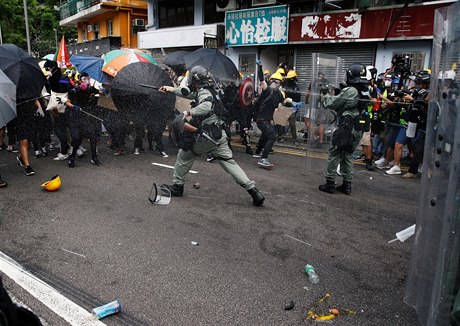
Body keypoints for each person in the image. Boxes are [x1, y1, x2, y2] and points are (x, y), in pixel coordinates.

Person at [158, 65, 265, 206]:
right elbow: (188, 94)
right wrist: (170, 89)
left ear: (194, 79)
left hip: (205, 135)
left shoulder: (203, 93)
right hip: (218, 134)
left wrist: (187, 113)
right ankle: (254, 191)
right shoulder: (211, 90)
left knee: (184, 155)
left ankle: (177, 187)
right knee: (229, 162)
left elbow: (206, 106)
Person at [318, 63, 370, 195]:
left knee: (335, 153)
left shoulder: (350, 91)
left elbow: (332, 103)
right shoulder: (364, 89)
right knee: (347, 155)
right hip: (358, 127)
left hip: (347, 126)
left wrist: (325, 95)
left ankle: (330, 183)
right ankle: (347, 185)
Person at [253, 62, 298, 169]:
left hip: (266, 119)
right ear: (271, 81)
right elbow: (261, 80)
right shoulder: (266, 89)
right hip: (261, 119)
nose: (275, 83)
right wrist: (260, 67)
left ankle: (258, 152)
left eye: (277, 81)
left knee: (266, 134)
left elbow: (284, 102)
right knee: (272, 136)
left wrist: (294, 104)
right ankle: (263, 159)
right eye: (273, 80)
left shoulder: (278, 94)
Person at [65, 72, 106, 167]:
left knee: (93, 137)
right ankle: (72, 157)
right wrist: (74, 106)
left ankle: (94, 158)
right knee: (76, 139)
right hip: (74, 118)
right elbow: (67, 103)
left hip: (84, 117)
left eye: (88, 78)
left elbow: (102, 93)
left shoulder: (90, 89)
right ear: (79, 81)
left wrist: (103, 90)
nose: (87, 81)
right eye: (84, 79)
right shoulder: (74, 91)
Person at [16, 98, 43, 176]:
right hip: (19, 118)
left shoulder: (29, 89)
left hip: (31, 117)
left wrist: (39, 108)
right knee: (24, 140)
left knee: (29, 141)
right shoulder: (14, 89)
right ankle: (27, 167)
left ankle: (21, 157)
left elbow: (35, 99)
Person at [283, 70, 301, 146]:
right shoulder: (295, 86)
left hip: (286, 107)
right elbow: (298, 97)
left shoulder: (285, 85)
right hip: (291, 107)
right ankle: (294, 139)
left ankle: (282, 137)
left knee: (283, 123)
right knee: (292, 124)